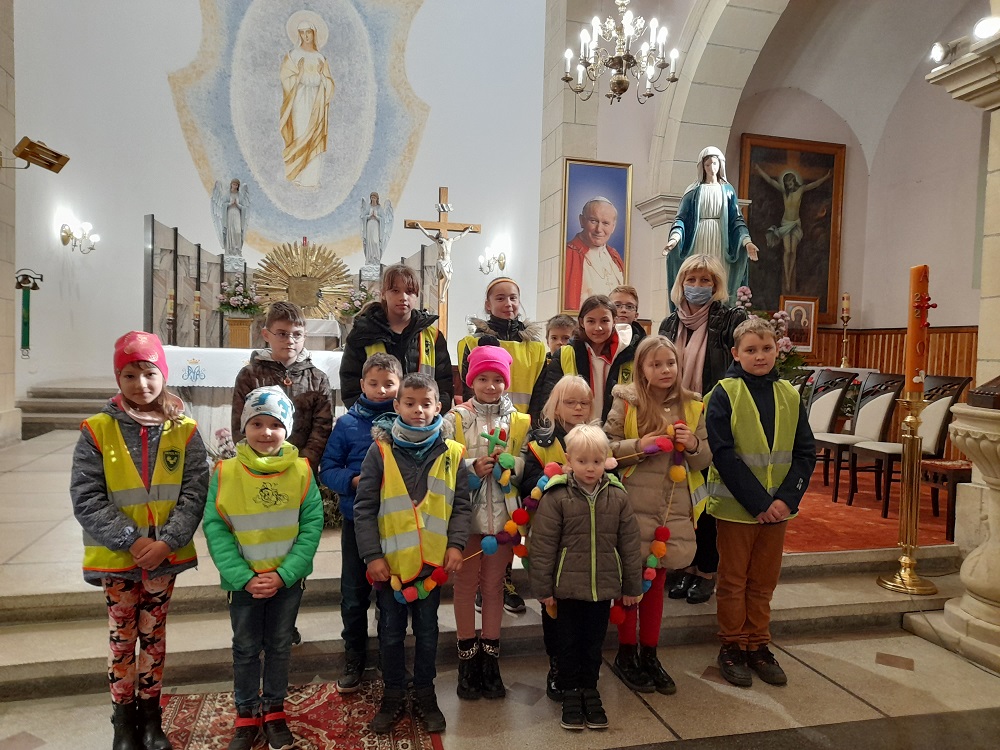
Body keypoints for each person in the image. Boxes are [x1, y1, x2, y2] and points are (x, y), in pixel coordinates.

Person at [70, 331, 209, 750]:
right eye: (129, 375)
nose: (141, 384)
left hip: (164, 557)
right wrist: (132, 540)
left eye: (149, 373)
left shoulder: (184, 430)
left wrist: (167, 541)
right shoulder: (97, 430)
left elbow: (195, 491)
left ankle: (151, 718)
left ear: (163, 374)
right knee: (121, 639)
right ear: (118, 378)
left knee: (153, 636)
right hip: (117, 557)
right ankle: (123, 721)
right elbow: (86, 496)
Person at [204, 386, 323, 750]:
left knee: (279, 646)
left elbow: (311, 525)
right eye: (257, 423)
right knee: (245, 647)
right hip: (243, 583)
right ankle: (246, 713)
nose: (266, 432)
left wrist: (286, 574)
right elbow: (215, 527)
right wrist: (243, 577)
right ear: (244, 427)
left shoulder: (301, 471)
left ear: (287, 428)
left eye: (275, 424)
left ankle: (273, 709)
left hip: (286, 581)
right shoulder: (225, 472)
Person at [354, 373, 472, 734]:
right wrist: (372, 556)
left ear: (439, 407)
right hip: (391, 566)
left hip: (430, 566)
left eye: (426, 404)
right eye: (410, 403)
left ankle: (424, 692)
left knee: (427, 632)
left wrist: (456, 545)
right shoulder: (380, 451)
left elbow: (461, 506)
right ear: (397, 406)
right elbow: (364, 508)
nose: (418, 410)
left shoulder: (453, 453)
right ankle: (392, 693)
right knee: (390, 633)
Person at [705, 317, 816, 688]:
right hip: (737, 508)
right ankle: (732, 645)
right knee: (734, 580)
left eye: (766, 348)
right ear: (735, 353)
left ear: (777, 351)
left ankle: (758, 645)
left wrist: (786, 500)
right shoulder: (724, 393)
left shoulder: (789, 394)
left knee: (764, 581)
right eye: (751, 350)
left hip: (778, 510)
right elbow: (723, 453)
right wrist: (758, 502)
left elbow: (805, 452)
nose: (760, 356)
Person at [604, 335, 711, 695]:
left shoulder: (693, 405)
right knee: (630, 583)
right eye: (656, 364)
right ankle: (626, 653)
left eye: (671, 363)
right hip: (631, 506)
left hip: (671, 508)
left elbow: (704, 459)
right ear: (642, 369)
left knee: (657, 582)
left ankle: (649, 653)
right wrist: (641, 445)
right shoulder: (627, 401)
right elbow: (606, 450)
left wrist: (693, 444)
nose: (665, 370)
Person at [529, 424, 643, 731]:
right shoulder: (557, 495)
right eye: (582, 461)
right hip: (566, 590)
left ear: (606, 460)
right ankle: (570, 693)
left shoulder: (617, 497)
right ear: (568, 460)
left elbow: (629, 543)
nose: (590, 468)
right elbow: (542, 546)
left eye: (596, 461)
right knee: (567, 644)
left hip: (602, 588)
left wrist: (631, 586)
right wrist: (543, 588)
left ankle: (590, 690)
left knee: (593, 644)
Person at [658, 254, 748, 604]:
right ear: (680, 283)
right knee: (681, 498)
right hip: (674, 418)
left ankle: (707, 570)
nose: (697, 286)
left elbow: (738, 367)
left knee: (708, 500)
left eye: (705, 280)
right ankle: (686, 565)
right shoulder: (669, 324)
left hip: (713, 419)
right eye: (691, 280)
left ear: (716, 285)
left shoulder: (730, 320)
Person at [443, 345, 530, 700]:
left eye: (497, 379)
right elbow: (443, 462)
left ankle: (491, 658)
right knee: (465, 587)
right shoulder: (456, 419)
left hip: (503, 518)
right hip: (466, 517)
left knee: (494, 587)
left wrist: (512, 464)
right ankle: (467, 658)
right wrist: (471, 467)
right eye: (483, 378)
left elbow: (527, 462)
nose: (491, 386)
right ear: (471, 380)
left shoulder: (519, 421)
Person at [319, 353, 402, 695]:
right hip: (358, 520)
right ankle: (354, 654)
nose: (381, 390)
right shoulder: (348, 424)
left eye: (389, 384)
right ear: (361, 385)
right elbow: (328, 469)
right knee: (354, 593)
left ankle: (388, 653)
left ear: (400, 384)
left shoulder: (407, 421)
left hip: (396, 523)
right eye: (374, 383)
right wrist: (354, 482)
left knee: (391, 592)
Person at [521, 374, 594, 702]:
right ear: (555, 405)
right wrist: (552, 476)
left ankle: (582, 666)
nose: (578, 408)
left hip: (587, 537)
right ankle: (557, 665)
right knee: (553, 606)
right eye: (570, 402)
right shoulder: (540, 442)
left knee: (585, 607)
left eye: (584, 403)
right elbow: (526, 485)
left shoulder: (597, 439)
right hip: (551, 537)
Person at [231, 301, 332, 473]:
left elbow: (322, 430)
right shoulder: (249, 375)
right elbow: (239, 425)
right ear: (266, 334)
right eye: (282, 334)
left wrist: (303, 465)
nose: (290, 341)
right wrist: (259, 465)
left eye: (297, 334)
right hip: (257, 468)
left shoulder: (317, 379)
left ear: (305, 336)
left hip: (301, 469)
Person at [340, 263, 454, 411]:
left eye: (410, 291)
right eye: (395, 291)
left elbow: (444, 386)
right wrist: (369, 417)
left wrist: (430, 417)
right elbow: (350, 385)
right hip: (373, 419)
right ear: (383, 293)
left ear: (417, 295)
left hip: (421, 419)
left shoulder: (433, 336)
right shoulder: (362, 334)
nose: (403, 297)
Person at [663, 146, 758, 306]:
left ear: (720, 165)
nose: (711, 168)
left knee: (719, 275)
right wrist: (674, 239)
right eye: (707, 164)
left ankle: (720, 310)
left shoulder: (727, 190)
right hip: (699, 237)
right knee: (698, 272)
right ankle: (694, 308)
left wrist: (747, 241)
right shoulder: (693, 191)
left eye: (714, 163)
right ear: (702, 167)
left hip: (720, 239)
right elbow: (681, 218)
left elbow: (736, 220)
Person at [529, 295, 642, 424]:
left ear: (614, 321)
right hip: (573, 432)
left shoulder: (631, 353)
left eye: (604, 321)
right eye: (591, 321)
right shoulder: (566, 354)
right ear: (582, 322)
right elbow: (547, 400)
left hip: (618, 431)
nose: (598, 327)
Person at [457, 277, 547, 414]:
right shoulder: (472, 343)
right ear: (488, 304)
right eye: (500, 298)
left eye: (513, 298)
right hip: (483, 420)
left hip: (523, 422)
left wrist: (531, 423)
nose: (508, 304)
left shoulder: (536, 347)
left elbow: (540, 394)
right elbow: (469, 390)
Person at [754, 164, 832, 291]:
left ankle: (790, 276)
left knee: (792, 251)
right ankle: (787, 277)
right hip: (786, 223)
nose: (788, 185)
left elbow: (815, 184)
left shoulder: (800, 190)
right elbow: (770, 181)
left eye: (790, 183)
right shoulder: (784, 192)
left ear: (794, 181)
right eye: (786, 183)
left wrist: (826, 177)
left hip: (795, 223)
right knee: (787, 250)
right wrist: (759, 170)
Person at [279, 18, 335, 187]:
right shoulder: (293, 56)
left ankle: (311, 180)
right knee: (301, 133)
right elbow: (285, 79)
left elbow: (329, 84)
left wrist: (322, 78)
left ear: (314, 33)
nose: (306, 36)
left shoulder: (320, 58)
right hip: (299, 101)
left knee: (314, 137)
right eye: (302, 33)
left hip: (316, 103)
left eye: (308, 32)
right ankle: (298, 175)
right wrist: (299, 74)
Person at [564, 197, 625, 311]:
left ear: (613, 227)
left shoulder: (614, 257)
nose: (599, 229)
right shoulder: (567, 254)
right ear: (582, 221)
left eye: (605, 223)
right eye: (593, 221)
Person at [413, 223, 476, 300]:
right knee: (447, 277)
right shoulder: (437, 241)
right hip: (441, 262)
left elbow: (460, 236)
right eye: (438, 240)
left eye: (440, 239)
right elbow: (428, 235)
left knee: (449, 279)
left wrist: (468, 230)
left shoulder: (450, 241)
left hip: (448, 262)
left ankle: (443, 295)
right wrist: (420, 227)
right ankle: (442, 296)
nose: (439, 241)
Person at [212, 178, 249, 258]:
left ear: (238, 186)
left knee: (238, 232)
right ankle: (230, 251)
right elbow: (223, 205)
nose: (235, 186)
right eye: (233, 184)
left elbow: (244, 208)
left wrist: (238, 205)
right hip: (229, 214)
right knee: (230, 231)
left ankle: (237, 250)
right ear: (231, 185)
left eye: (236, 185)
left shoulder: (240, 195)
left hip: (237, 214)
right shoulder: (227, 194)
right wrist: (229, 204)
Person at [361, 192, 393, 267]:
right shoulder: (368, 207)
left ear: (377, 198)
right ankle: (369, 259)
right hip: (369, 226)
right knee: (369, 242)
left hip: (376, 226)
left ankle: (376, 259)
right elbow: (363, 217)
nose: (373, 199)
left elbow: (383, 219)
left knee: (375, 242)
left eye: (374, 197)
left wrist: (377, 217)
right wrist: (369, 216)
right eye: (372, 197)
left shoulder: (379, 208)